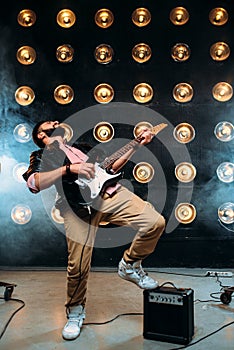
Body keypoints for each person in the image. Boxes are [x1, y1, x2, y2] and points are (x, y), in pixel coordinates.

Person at [23, 120, 165, 341]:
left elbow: (110, 168)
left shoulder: (82, 146)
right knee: (78, 264)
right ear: (42, 135)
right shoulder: (41, 154)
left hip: (110, 196)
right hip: (77, 208)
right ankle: (75, 311)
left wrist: (136, 145)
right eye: (50, 123)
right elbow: (34, 183)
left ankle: (129, 265)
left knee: (155, 222)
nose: (57, 123)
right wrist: (69, 169)